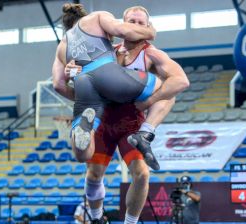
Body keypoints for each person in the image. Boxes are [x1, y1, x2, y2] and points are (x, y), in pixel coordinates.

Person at [61, 6, 189, 224]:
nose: (135, 26)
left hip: (131, 120)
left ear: (148, 27)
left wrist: (147, 102)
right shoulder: (106, 49)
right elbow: (76, 75)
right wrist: (71, 71)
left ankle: (130, 222)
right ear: (123, 23)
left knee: (142, 174)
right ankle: (96, 218)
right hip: (103, 117)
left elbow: (180, 80)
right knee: (93, 175)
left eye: (140, 23)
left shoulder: (151, 53)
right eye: (131, 21)